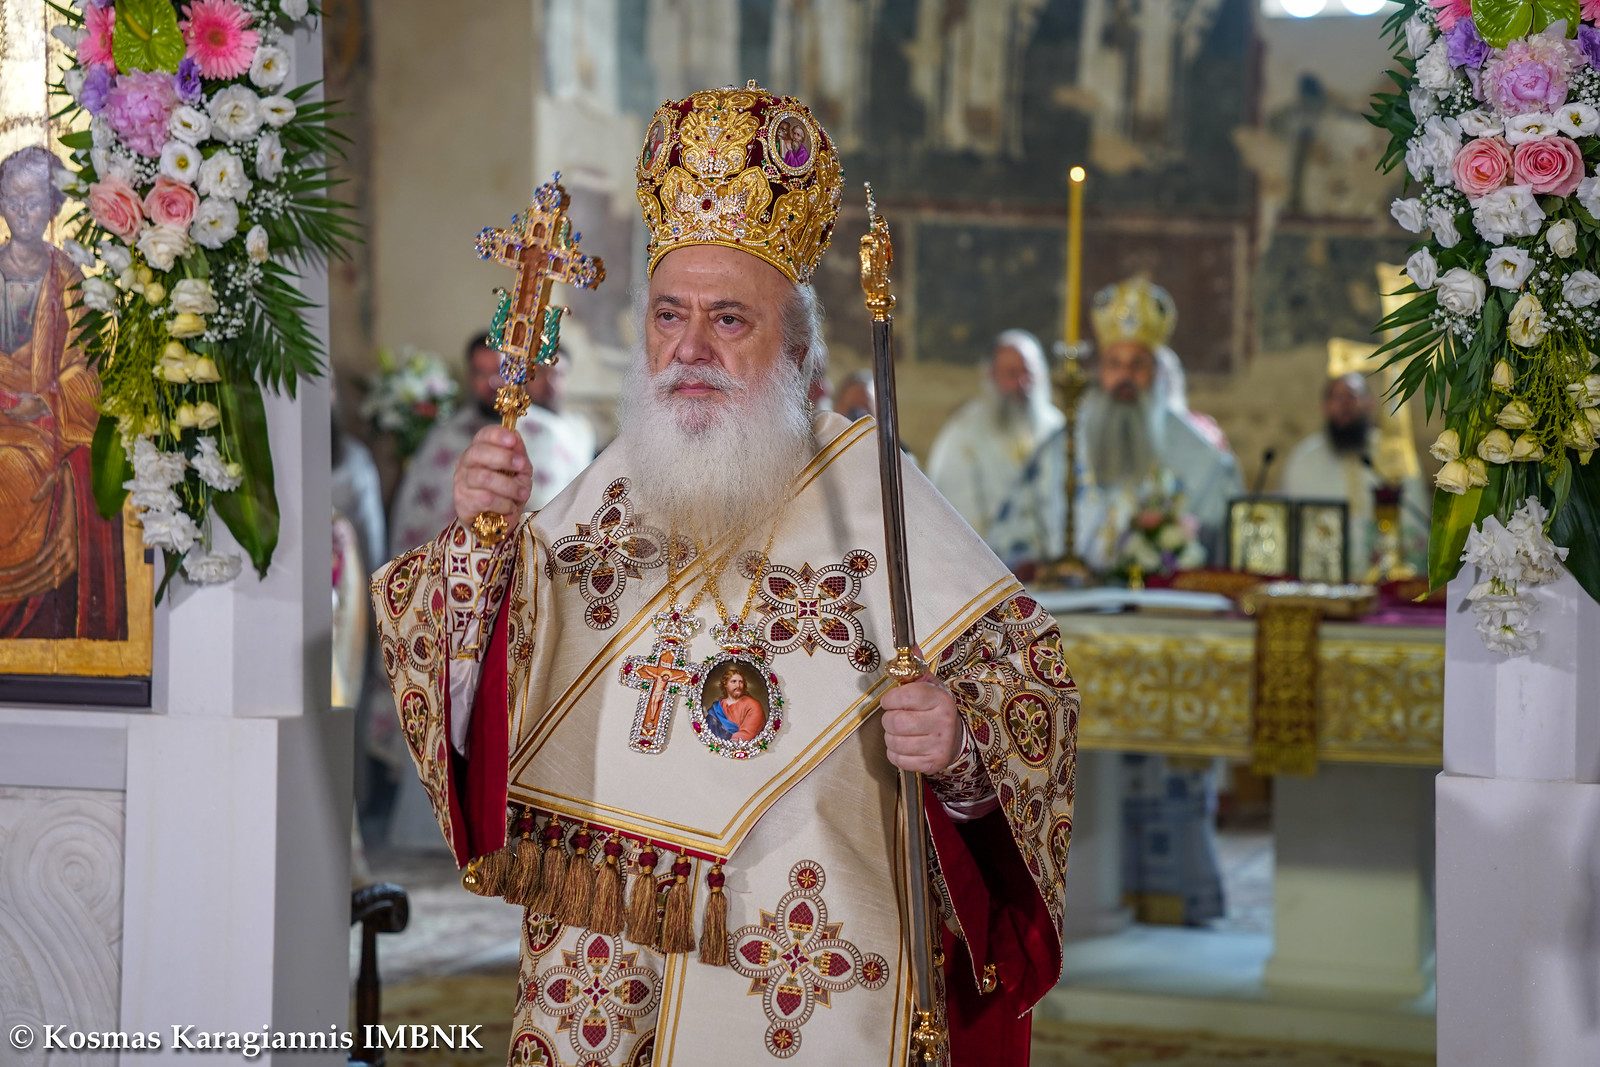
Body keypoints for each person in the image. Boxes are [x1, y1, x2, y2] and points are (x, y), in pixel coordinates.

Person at [372, 83, 1076, 1067]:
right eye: (669, 314)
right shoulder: (611, 481)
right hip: (603, 949)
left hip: (807, 961)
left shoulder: (872, 492)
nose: (689, 349)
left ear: (799, 350)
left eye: (730, 320)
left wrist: (960, 745)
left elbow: (1029, 687)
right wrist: (479, 547)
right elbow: (481, 694)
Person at [0, 145, 126, 640]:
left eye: (34, 201)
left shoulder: (67, 279)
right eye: (12, 199)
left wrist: (48, 402)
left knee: (13, 467)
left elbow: (85, 369)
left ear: (53, 207)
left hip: (41, 428)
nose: (22, 212)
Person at [387, 332, 593, 557]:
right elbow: (417, 515)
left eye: (500, 370)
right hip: (458, 566)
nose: (492, 382)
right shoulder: (444, 437)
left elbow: (576, 508)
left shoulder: (550, 433)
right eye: (481, 373)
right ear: (470, 377)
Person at [926, 329, 1065, 567]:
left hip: (1051, 569)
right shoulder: (963, 435)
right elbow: (955, 514)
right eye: (1011, 374)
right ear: (990, 375)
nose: (1022, 384)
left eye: (1029, 373)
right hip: (989, 570)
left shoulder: (1056, 429)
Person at [1281, 371, 1427, 579]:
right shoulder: (1302, 461)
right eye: (1336, 397)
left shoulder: (1396, 455)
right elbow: (1290, 530)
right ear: (1324, 406)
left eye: (1352, 396)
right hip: (1320, 580)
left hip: (1384, 582)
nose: (1344, 405)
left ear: (1370, 403)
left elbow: (1415, 528)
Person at [706, 664, 764, 742]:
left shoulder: (753, 705)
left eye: (741, 682)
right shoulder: (717, 707)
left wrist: (728, 745)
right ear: (725, 684)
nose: (738, 686)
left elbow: (747, 733)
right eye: (733, 682)